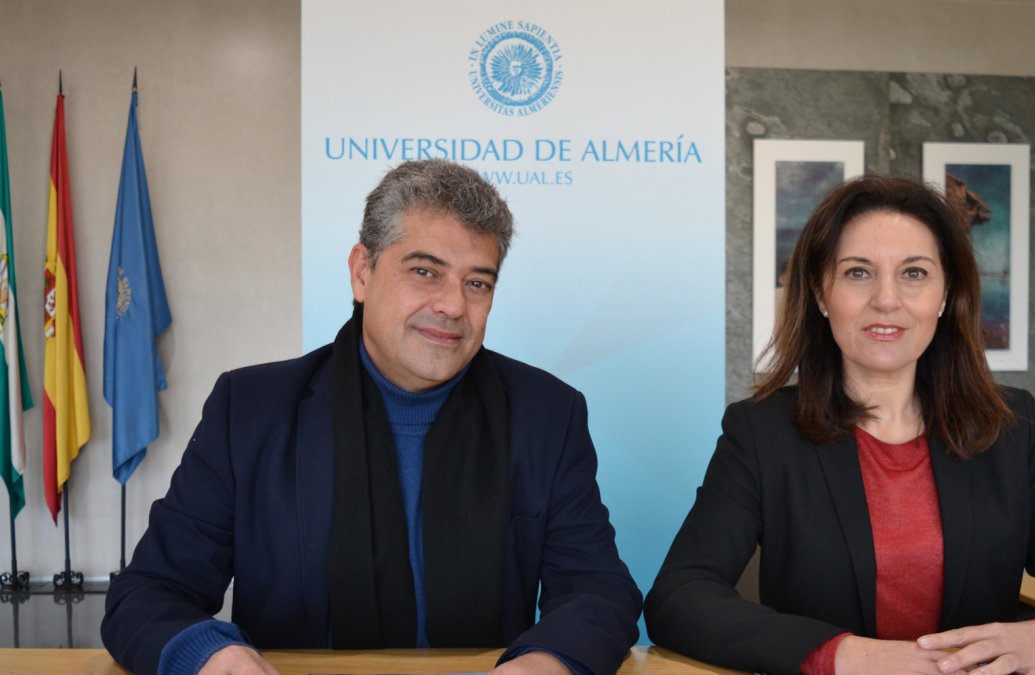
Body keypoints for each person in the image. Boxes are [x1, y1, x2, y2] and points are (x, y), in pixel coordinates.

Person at [102, 160, 642, 675]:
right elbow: (148, 592)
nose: (454, 306)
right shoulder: (249, 408)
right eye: (425, 271)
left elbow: (597, 587)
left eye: (477, 282)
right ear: (363, 273)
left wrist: (548, 662)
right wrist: (205, 656)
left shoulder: (546, 412)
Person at [644, 175, 1035, 675]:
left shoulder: (1010, 426)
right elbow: (679, 597)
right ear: (822, 294)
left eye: (914, 273)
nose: (886, 299)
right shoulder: (761, 431)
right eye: (857, 272)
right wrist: (845, 656)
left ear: (944, 293)